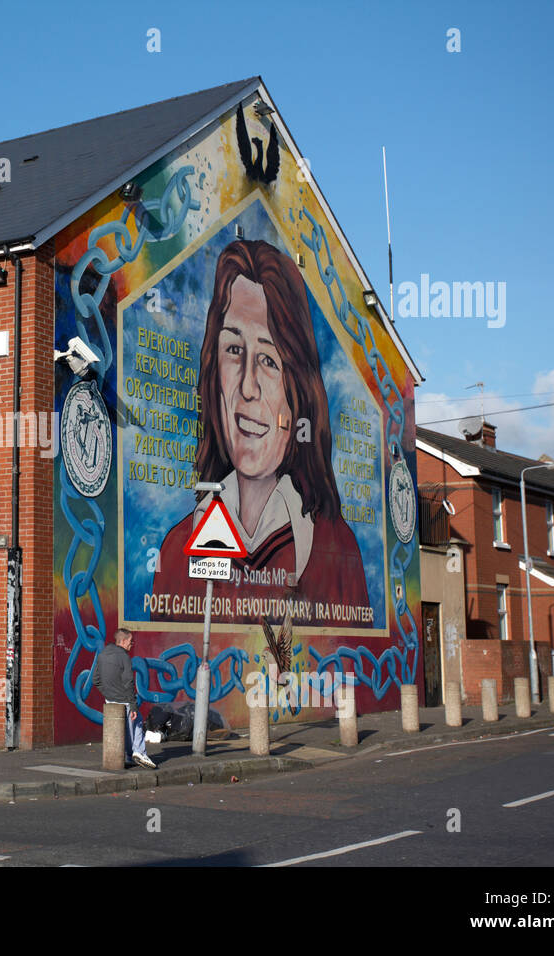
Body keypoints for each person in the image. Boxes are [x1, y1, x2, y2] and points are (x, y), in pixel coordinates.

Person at [152, 239, 369, 624]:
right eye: (234, 350)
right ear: (213, 370)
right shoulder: (177, 552)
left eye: (269, 360)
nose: (248, 387)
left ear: (298, 390)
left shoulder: (335, 550)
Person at [91, 627, 157, 769]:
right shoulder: (124, 657)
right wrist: (133, 705)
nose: (131, 644)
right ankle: (139, 752)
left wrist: (108, 693)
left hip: (110, 700)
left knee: (127, 728)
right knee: (137, 721)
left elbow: (95, 679)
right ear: (123, 640)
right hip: (124, 699)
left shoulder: (102, 655)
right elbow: (128, 682)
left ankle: (129, 756)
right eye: (130, 641)